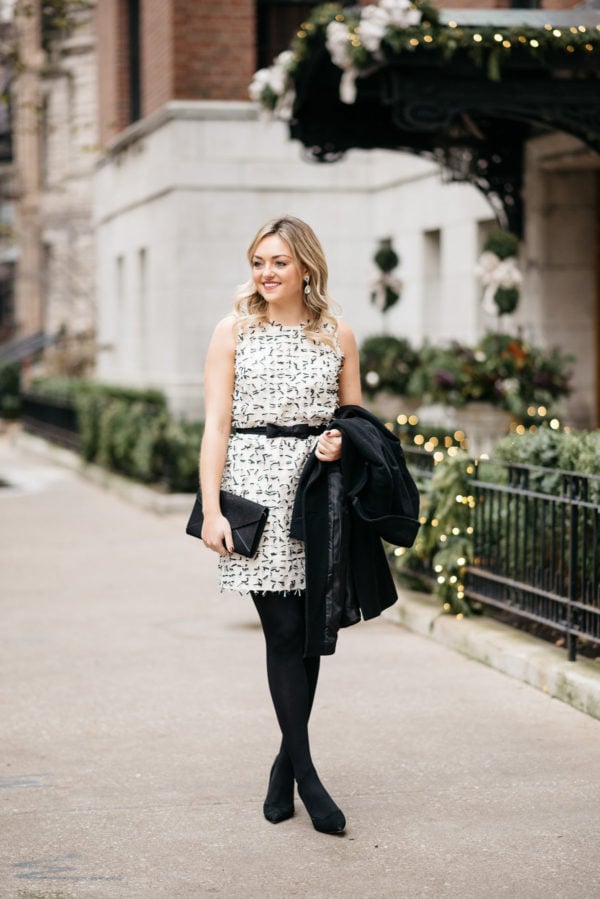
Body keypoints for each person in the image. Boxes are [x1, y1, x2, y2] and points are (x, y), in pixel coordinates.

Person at [199, 215, 362, 836]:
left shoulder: (338, 333)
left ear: (306, 269)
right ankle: (309, 776)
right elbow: (215, 425)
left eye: (279, 263)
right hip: (252, 496)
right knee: (284, 629)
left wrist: (339, 444)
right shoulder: (232, 330)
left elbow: (357, 420)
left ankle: (282, 770)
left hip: (318, 495)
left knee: (313, 631)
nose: (266, 273)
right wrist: (213, 509)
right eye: (259, 262)